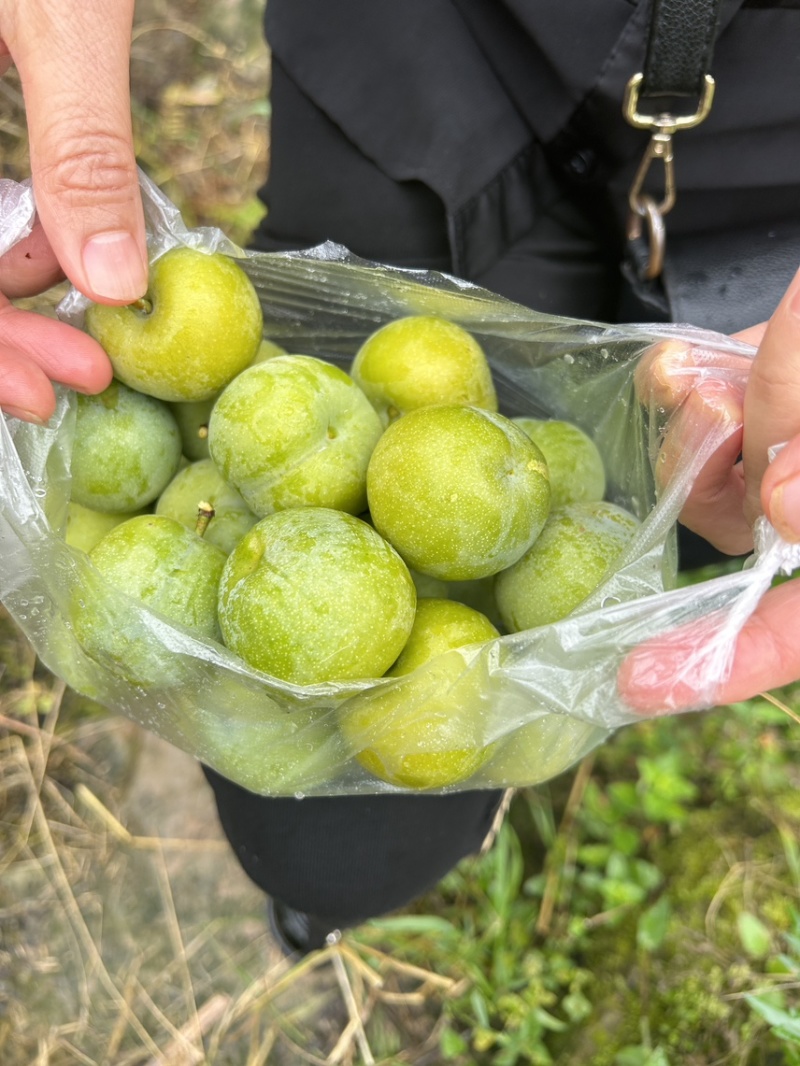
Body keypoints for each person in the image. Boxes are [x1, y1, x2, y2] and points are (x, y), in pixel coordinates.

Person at [2, 0, 800, 954]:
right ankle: (319, 905)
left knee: (675, 489)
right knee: (332, 850)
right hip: (432, 49)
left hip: (773, 181)